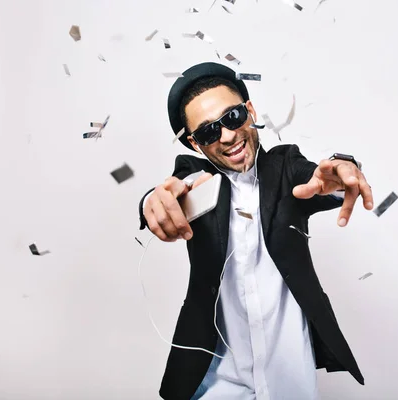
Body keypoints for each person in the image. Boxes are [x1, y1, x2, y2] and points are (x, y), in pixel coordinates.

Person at [138, 62, 373, 400]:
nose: (228, 136)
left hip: (289, 375)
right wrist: (153, 201)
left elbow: (320, 177)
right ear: (194, 143)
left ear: (249, 110)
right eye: (208, 132)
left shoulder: (285, 166)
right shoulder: (195, 179)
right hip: (216, 381)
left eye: (232, 118)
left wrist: (341, 170)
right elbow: (170, 189)